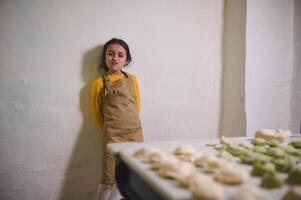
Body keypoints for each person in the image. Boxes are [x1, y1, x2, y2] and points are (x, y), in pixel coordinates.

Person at [90, 38, 144, 200]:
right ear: (105, 58)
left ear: (126, 60)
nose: (115, 58)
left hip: (135, 134)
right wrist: (109, 128)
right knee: (108, 179)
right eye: (110, 54)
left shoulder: (132, 79)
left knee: (132, 176)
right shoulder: (99, 84)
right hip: (112, 136)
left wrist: (131, 124)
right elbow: (96, 113)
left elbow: (137, 104)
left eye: (120, 55)